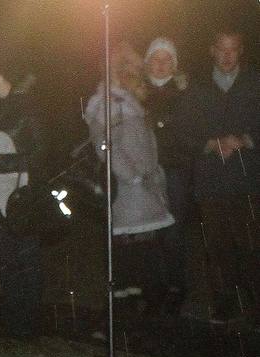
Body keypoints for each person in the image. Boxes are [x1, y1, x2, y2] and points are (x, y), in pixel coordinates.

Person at [177, 27, 260, 324]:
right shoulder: (196, 88)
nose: (227, 55)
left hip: (249, 180)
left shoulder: (255, 83)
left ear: (241, 51)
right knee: (217, 246)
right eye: (222, 49)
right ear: (212, 50)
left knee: (252, 243)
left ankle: (255, 301)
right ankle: (225, 301)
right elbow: (182, 131)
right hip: (211, 182)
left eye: (233, 49)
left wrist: (245, 139)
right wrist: (212, 144)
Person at [85, 43, 174, 320]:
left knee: (138, 249)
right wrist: (132, 176)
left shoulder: (126, 100)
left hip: (141, 189)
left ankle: (135, 310)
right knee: (133, 249)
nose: (139, 74)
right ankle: (125, 314)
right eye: (133, 69)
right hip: (128, 191)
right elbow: (104, 146)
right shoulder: (109, 103)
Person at [0, 54, 45, 337]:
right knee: (6, 261)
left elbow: (42, 153)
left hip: (22, 198)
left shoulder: (28, 109)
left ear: (9, 78)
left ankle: (28, 324)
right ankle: (13, 322)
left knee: (26, 259)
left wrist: (2, 164)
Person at [141, 38, 193, 314]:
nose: (160, 65)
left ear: (174, 64)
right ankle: (153, 288)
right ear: (147, 62)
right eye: (156, 58)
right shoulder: (137, 91)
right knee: (149, 232)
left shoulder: (185, 92)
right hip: (144, 172)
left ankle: (176, 286)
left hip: (175, 170)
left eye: (166, 59)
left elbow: (186, 132)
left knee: (173, 232)